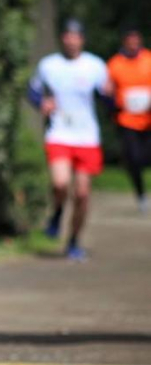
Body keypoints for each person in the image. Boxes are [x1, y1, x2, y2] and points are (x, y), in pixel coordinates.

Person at [28, 19, 110, 261]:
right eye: (67, 36)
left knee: (82, 194)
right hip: (59, 133)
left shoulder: (95, 65)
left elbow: (107, 99)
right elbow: (32, 90)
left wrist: (110, 96)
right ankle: (57, 213)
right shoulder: (49, 65)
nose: (71, 40)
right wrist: (41, 103)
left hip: (87, 137)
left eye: (76, 36)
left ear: (82, 39)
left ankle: (73, 241)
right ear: (62, 38)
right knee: (61, 183)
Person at [107, 27, 151, 213]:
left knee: (146, 157)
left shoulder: (149, 59)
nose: (133, 44)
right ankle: (141, 195)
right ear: (124, 42)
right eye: (129, 40)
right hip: (127, 120)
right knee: (134, 159)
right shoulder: (115, 64)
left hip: (149, 119)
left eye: (136, 40)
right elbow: (107, 91)